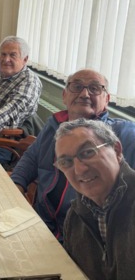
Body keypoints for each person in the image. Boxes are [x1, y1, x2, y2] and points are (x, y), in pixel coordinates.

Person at [11, 69, 135, 241]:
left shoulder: (123, 134)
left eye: (94, 88)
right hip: (42, 226)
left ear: (106, 99)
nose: (84, 94)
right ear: (65, 95)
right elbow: (31, 159)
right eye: (77, 86)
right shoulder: (53, 126)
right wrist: (16, 185)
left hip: (86, 241)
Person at [55, 119, 135, 280]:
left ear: (117, 150)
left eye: (87, 152)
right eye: (66, 162)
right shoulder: (75, 216)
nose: (79, 170)